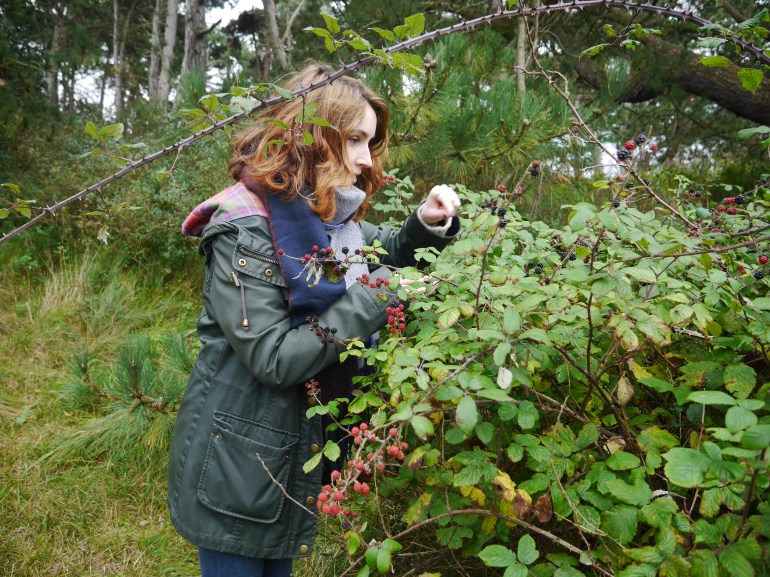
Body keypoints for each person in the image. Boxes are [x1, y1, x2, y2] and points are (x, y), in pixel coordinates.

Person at [167, 63, 461, 577]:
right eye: (353, 140)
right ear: (314, 136)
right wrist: (377, 296)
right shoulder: (246, 230)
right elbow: (273, 357)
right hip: (236, 459)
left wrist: (423, 224)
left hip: (289, 452)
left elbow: (380, 248)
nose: (366, 160)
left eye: (371, 143)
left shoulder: (325, 219)